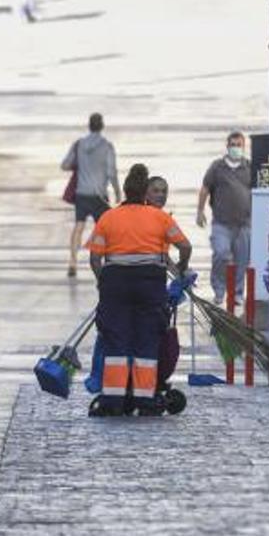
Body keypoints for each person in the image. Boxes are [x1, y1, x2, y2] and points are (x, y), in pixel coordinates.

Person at [87, 165, 192, 415]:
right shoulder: (160, 218)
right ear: (145, 191)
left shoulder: (108, 218)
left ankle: (113, 400)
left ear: (124, 190)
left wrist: (105, 283)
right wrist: (180, 270)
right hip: (149, 284)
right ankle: (145, 399)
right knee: (147, 339)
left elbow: (94, 259)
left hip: (116, 283)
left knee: (116, 340)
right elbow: (185, 247)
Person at [62, 113, 120, 278]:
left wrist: (81, 165)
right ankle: (106, 261)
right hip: (99, 194)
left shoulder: (79, 144)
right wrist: (117, 191)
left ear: (89, 126)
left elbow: (65, 165)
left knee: (79, 227)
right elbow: (111, 171)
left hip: (81, 192)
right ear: (101, 126)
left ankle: (72, 262)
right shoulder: (107, 146)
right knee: (104, 230)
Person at [196, 131, 252, 304]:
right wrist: (200, 211)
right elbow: (205, 188)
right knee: (221, 254)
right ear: (227, 147)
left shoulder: (249, 167)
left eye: (239, 145)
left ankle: (237, 293)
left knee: (242, 259)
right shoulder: (217, 167)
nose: (236, 148)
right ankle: (219, 290)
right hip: (222, 224)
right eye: (233, 145)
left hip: (244, 224)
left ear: (244, 147)